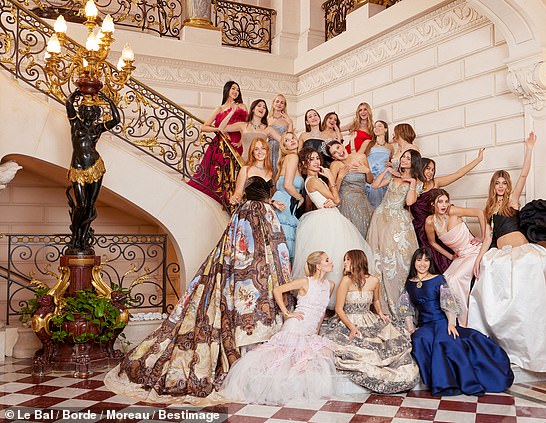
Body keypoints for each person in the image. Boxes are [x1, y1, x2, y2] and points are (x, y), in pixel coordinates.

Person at [104, 139, 292, 400]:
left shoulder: (272, 172)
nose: (260, 152)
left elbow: (268, 197)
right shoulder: (246, 170)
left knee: (267, 268)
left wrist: (275, 205)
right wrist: (235, 198)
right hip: (246, 218)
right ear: (252, 152)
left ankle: (263, 322)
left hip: (268, 220)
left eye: (263, 149)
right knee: (241, 266)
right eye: (256, 149)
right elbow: (237, 194)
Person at [468, 132, 546, 379]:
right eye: (497, 183)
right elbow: (487, 238)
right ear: (493, 186)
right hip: (500, 254)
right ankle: (503, 348)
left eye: (503, 182)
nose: (501, 186)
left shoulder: (513, 200)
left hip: (520, 252)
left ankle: (536, 347)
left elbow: (523, 174)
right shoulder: (488, 209)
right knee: (491, 288)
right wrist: (478, 260)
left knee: (527, 283)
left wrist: (529, 149)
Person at [221, 251, 337, 405]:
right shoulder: (304, 282)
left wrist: (317, 330)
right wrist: (287, 312)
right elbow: (277, 290)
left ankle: (295, 392)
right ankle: (267, 390)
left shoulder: (330, 285)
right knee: (283, 361)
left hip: (310, 330)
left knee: (311, 359)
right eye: (327, 260)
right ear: (318, 266)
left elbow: (321, 311)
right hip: (295, 327)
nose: (331, 262)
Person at [405, 248, 514, 397]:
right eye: (419, 260)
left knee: (445, 341)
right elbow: (407, 307)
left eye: (426, 260)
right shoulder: (409, 283)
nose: (422, 264)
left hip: (441, 321)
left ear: (430, 262)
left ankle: (453, 383)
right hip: (425, 325)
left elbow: (448, 302)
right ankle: (436, 382)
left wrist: (451, 323)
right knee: (419, 339)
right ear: (414, 262)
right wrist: (411, 328)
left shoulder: (438, 279)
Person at [322, 250, 420, 394]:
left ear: (357, 261)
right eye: (345, 260)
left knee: (389, 340)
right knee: (355, 349)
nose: (344, 263)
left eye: (347, 260)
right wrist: (352, 327)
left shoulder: (374, 280)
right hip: (348, 319)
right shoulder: (346, 281)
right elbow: (338, 309)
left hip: (368, 317)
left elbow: (376, 300)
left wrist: (380, 313)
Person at [292, 148, 375, 308]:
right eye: (311, 159)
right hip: (328, 218)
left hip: (329, 215)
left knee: (337, 257)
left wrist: (334, 197)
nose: (316, 162)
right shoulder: (314, 181)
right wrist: (332, 178)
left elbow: (335, 200)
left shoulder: (314, 180)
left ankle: (341, 299)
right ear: (304, 164)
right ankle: (334, 301)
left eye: (317, 158)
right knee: (334, 258)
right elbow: (337, 198)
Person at [366, 149, 423, 320]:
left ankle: (398, 303)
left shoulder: (417, 182)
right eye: (403, 157)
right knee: (379, 258)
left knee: (396, 260)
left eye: (408, 158)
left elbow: (409, 202)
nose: (404, 160)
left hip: (397, 221)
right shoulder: (393, 176)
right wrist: (387, 171)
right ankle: (380, 303)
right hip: (380, 218)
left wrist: (412, 183)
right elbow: (375, 185)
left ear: (414, 162)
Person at [65, 88, 121, 255]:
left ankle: (82, 238)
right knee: (81, 204)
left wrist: (109, 101)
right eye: (86, 110)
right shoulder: (75, 123)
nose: (89, 113)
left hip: (95, 166)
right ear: (82, 111)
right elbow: (68, 104)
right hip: (78, 169)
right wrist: (77, 94)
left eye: (92, 111)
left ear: (96, 113)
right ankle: (75, 235)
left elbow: (116, 119)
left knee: (90, 206)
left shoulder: (97, 129)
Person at [411, 149, 484, 273]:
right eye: (428, 168)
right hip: (421, 230)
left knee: (446, 264)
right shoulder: (411, 186)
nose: (430, 172)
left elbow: (458, 174)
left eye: (433, 170)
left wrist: (478, 160)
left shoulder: (436, 183)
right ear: (420, 168)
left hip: (440, 226)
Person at [424, 189, 485, 327]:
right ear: (433, 204)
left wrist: (482, 236)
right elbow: (432, 242)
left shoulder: (452, 211)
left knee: (456, 280)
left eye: (446, 201)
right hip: (459, 257)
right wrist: (450, 255)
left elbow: (479, 213)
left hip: (473, 252)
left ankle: (464, 323)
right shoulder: (430, 221)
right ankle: (451, 320)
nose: (444, 205)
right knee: (444, 280)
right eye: (440, 202)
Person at [188, 81, 248, 202]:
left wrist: (242, 140)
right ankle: (223, 197)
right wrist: (218, 130)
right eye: (233, 88)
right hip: (221, 143)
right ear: (227, 90)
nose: (236, 91)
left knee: (236, 170)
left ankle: (235, 197)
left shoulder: (242, 106)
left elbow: (247, 126)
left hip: (237, 143)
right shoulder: (220, 109)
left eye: (237, 89)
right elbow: (204, 127)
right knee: (217, 171)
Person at [327, 140, 375, 237]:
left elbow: (370, 181)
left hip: (362, 202)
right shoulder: (335, 165)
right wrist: (340, 177)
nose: (339, 152)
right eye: (334, 153)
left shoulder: (361, 157)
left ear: (342, 145)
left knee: (366, 233)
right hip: (345, 204)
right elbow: (332, 192)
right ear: (333, 157)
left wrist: (367, 171)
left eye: (338, 147)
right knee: (352, 235)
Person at [210, 99, 281, 162]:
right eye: (259, 106)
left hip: (260, 164)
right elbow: (221, 128)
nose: (262, 108)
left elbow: (283, 141)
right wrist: (232, 112)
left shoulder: (268, 129)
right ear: (253, 109)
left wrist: (290, 125)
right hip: (244, 163)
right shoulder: (243, 125)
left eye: (264, 107)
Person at [271, 131, 304, 260]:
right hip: (285, 203)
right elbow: (287, 185)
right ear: (284, 147)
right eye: (287, 140)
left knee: (280, 242)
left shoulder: (289, 159)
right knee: (285, 243)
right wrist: (300, 197)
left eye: (292, 138)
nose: (291, 140)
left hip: (283, 201)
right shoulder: (292, 157)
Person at [365, 120, 393, 207]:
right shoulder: (368, 143)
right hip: (370, 177)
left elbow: (393, 163)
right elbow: (359, 157)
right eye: (375, 126)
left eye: (379, 126)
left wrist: (391, 164)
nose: (376, 128)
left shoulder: (390, 146)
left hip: (383, 179)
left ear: (385, 129)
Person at [268, 94, 294, 170]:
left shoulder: (287, 120)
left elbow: (290, 137)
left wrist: (290, 123)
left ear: (284, 106)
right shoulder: (267, 120)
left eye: (282, 103)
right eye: (277, 101)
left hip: (282, 149)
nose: (279, 104)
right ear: (273, 103)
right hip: (270, 149)